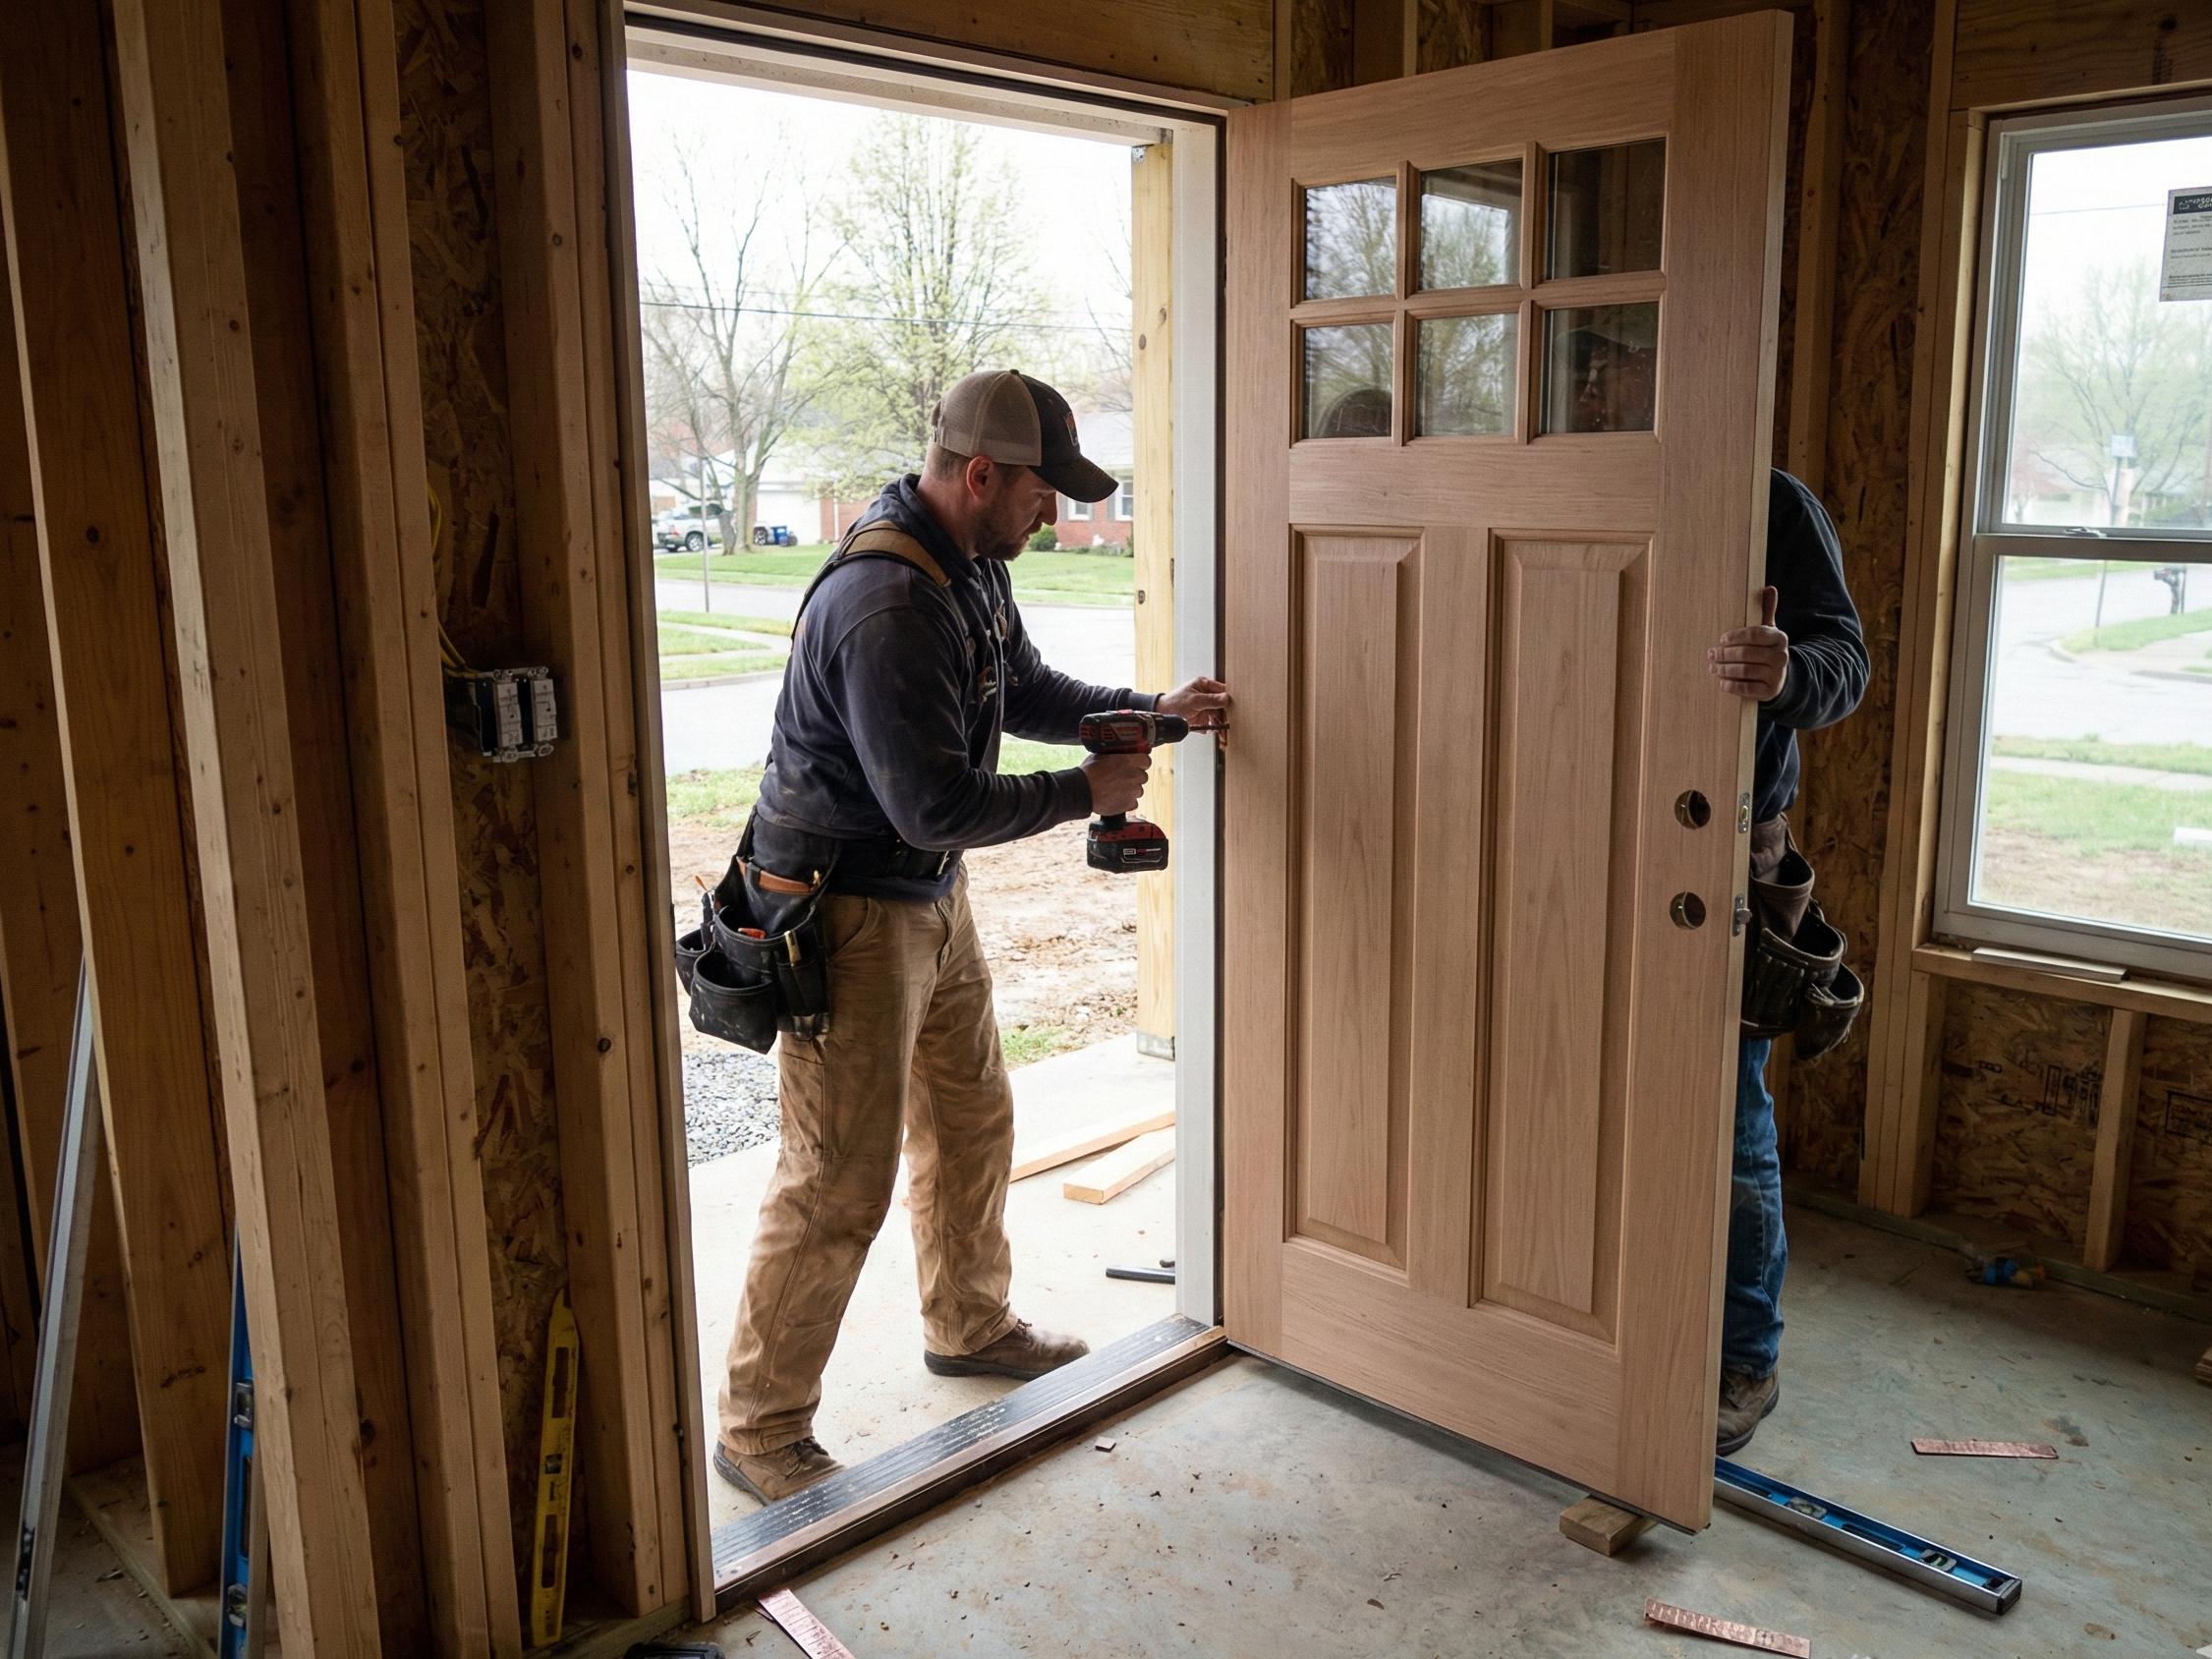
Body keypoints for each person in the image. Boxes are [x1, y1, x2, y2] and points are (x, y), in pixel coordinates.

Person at [712, 369, 1231, 1505]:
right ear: (981, 473)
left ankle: (970, 1320)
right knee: (836, 1175)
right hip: (843, 909)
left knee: (971, 1111)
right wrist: (1087, 789)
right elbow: (934, 802)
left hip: (923, 895)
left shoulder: (969, 567)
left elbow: (1027, 688)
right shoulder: (887, 604)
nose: (1054, 512)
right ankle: (758, 1425)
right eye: (1043, 491)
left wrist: (1155, 715)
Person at [1705, 470, 1869, 1456]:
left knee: (1727, 1120)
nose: (1596, 387)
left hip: (1729, 840)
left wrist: (1786, 670)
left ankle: (1742, 1357)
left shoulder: (1768, 500)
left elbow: (1844, 663)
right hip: (1572, 837)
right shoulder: (1571, 468)